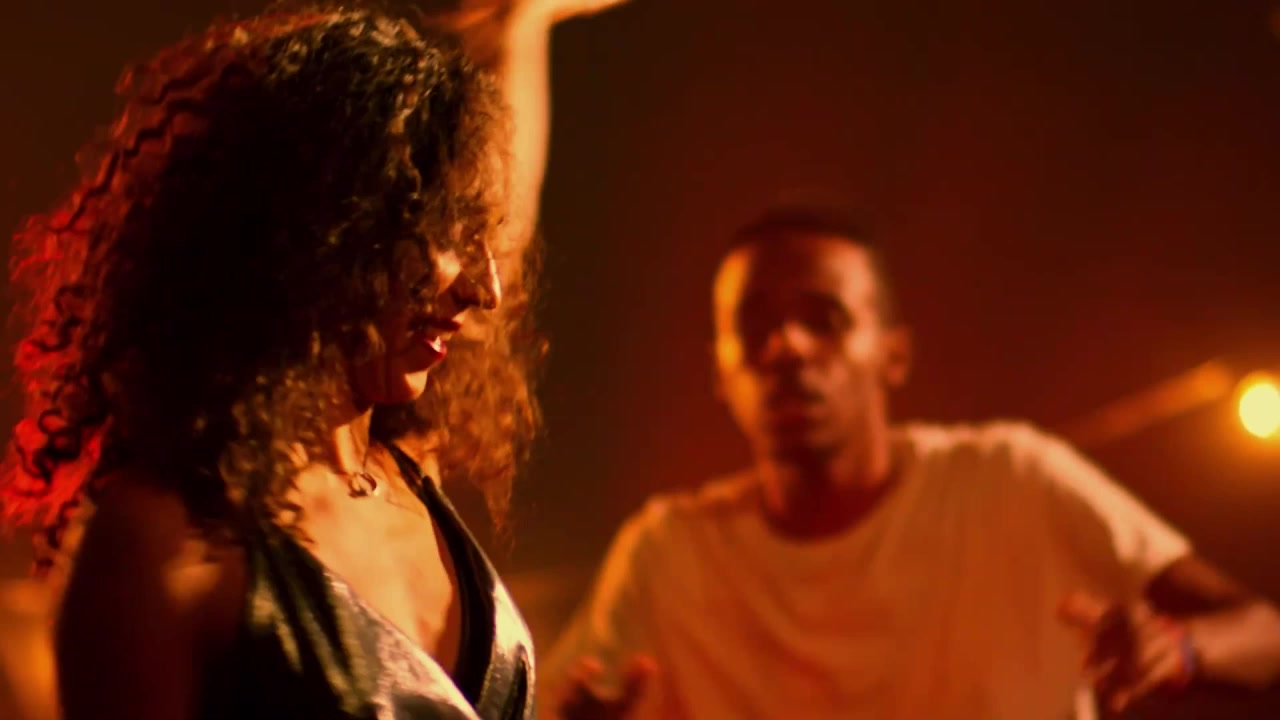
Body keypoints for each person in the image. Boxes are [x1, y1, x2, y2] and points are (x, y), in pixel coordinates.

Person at [0, 2, 620, 718]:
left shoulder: (405, 461)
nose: (487, 289)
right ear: (325, 234)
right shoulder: (163, 544)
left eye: (484, 236)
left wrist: (519, 32)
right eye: (451, 233)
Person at [541, 207, 1280, 719]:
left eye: (824, 319)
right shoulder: (666, 554)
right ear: (719, 371)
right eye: (755, 324)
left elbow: (1265, 633)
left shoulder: (1015, 477)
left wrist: (1178, 649)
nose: (788, 346)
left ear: (893, 353)